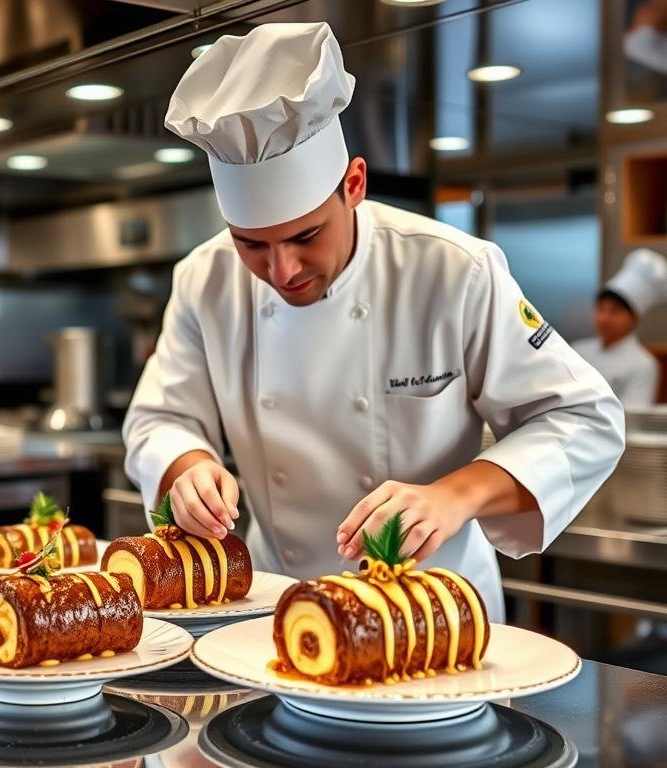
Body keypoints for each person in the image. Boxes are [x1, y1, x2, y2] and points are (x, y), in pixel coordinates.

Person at [123, 22, 625, 622]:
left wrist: (452, 495)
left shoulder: (452, 269)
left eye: (305, 236)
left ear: (353, 184)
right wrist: (189, 466)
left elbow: (585, 419)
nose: (281, 269)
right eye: (251, 244)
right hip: (273, 611)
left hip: (432, 612)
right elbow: (159, 420)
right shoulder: (203, 279)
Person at [573, 248, 667, 407]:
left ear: (634, 318)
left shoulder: (643, 364)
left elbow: (631, 416)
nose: (603, 318)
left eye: (614, 311)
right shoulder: (578, 350)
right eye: (600, 308)